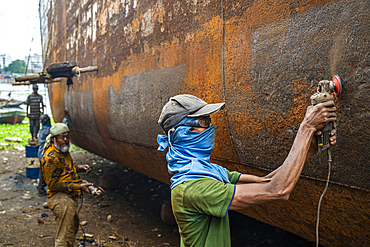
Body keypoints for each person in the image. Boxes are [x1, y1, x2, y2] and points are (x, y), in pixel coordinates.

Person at [157, 94, 337, 247]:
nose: (210, 127)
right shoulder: (194, 189)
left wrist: (310, 146)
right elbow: (277, 190)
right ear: (183, 133)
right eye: (204, 121)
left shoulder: (209, 172)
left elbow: (266, 181)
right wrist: (307, 127)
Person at [41, 122, 92, 247]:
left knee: (72, 228)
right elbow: (53, 185)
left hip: (68, 197)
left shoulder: (61, 150)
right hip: (60, 199)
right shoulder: (51, 158)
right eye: (61, 137)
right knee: (64, 236)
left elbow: (64, 168)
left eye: (67, 136)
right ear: (53, 139)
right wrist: (78, 186)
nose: (65, 140)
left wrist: (79, 168)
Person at [37, 109, 69, 196]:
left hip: (41, 155)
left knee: (42, 173)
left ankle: (41, 189)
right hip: (47, 155)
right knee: (51, 173)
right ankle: (51, 190)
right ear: (47, 121)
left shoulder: (42, 130)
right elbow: (61, 130)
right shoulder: (48, 131)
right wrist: (65, 118)